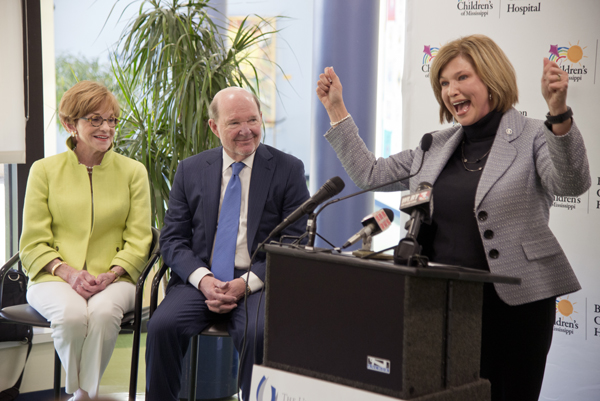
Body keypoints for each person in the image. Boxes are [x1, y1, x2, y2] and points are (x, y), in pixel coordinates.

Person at [316, 34, 590, 401]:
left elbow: (572, 184)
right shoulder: (435, 145)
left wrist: (558, 113)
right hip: (442, 304)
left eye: (462, 78)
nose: (451, 90)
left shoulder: (533, 137)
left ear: (491, 79)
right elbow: (370, 174)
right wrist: (337, 109)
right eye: (443, 83)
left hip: (514, 306)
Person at [145, 87, 310, 401]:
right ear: (214, 127)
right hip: (199, 281)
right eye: (234, 122)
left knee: (258, 334)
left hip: (257, 282)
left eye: (253, 119)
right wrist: (204, 280)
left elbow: (294, 242)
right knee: (161, 327)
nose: (246, 130)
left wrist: (243, 284)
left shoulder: (288, 170)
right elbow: (173, 239)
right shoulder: (190, 170)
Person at [19, 81, 153, 401]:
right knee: (71, 316)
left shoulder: (134, 172)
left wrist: (111, 274)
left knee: (105, 313)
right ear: (70, 124)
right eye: (95, 119)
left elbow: (140, 239)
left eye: (111, 120)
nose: (106, 128)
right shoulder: (44, 171)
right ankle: (84, 393)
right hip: (53, 276)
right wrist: (70, 273)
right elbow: (33, 241)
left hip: (118, 277)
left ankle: (81, 396)